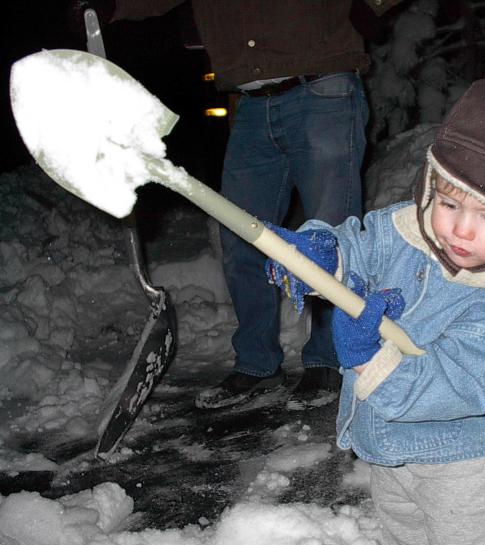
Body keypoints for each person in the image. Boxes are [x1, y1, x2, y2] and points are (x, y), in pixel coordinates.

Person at [265, 79, 485, 545]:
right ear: (431, 184)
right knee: (404, 537)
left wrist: (370, 362)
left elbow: (464, 385)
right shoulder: (403, 230)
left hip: (464, 459)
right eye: (450, 204)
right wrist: (322, 254)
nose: (462, 231)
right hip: (389, 447)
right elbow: (358, 247)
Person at [68, 0, 402, 407]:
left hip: (322, 90)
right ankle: (257, 363)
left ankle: (329, 360)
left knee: (328, 241)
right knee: (241, 240)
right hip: (249, 105)